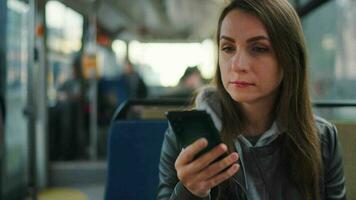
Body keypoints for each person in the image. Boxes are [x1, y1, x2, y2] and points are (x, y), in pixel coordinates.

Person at [157, 0, 346, 199]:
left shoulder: (322, 138)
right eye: (228, 48)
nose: (238, 65)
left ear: (290, 58)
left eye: (259, 48)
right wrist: (190, 192)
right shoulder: (187, 135)